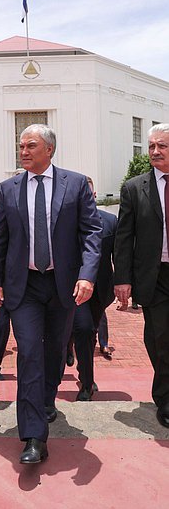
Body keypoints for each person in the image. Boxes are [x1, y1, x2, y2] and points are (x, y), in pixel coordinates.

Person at [0, 124, 102, 464]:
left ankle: (46, 398)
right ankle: (34, 436)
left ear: (49, 150)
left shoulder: (76, 183)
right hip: (23, 286)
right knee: (28, 353)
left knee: (54, 351)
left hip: (63, 285)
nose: (23, 151)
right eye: (21, 145)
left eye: (31, 145)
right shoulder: (8, 189)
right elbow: (0, 240)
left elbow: (92, 234)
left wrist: (87, 276)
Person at [114, 123, 169, 428]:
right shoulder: (135, 187)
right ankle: (165, 398)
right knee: (159, 337)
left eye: (162, 146)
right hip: (155, 274)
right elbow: (124, 236)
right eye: (152, 146)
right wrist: (122, 278)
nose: (155, 151)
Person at [69, 177, 117, 401]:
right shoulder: (66, 223)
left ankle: (84, 371)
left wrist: (123, 284)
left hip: (101, 291)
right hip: (73, 289)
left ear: (94, 195)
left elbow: (119, 255)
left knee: (89, 333)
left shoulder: (110, 221)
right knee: (84, 329)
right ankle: (86, 384)